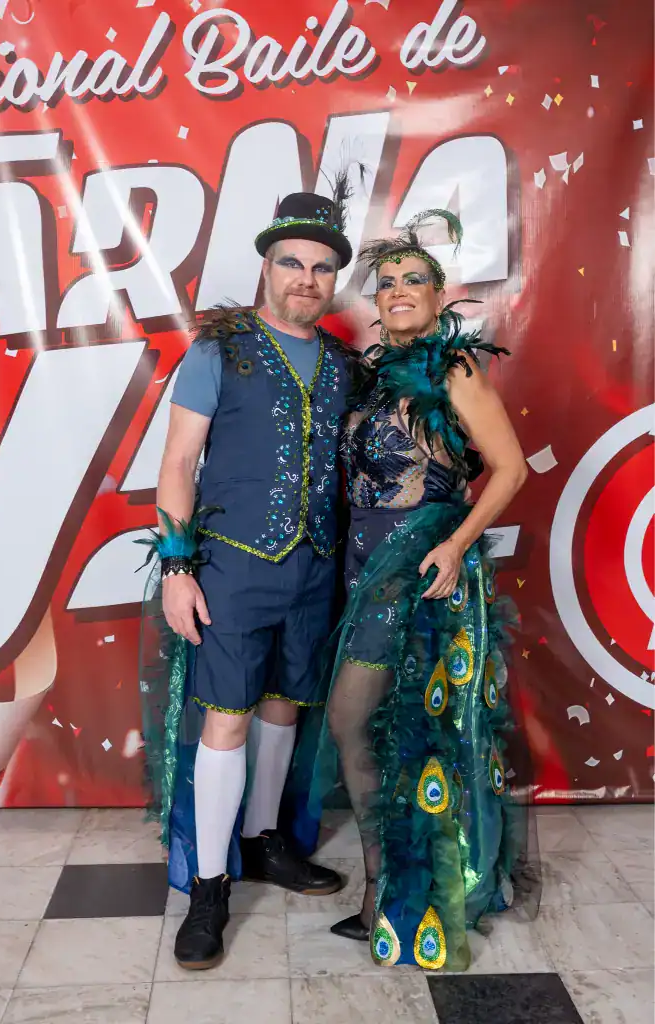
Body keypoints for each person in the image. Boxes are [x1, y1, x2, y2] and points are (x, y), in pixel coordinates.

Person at [309, 210, 540, 971]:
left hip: (418, 570)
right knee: (378, 729)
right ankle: (385, 886)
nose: (399, 290)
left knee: (368, 722)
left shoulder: (454, 369)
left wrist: (453, 544)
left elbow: (510, 468)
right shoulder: (374, 375)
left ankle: (397, 891)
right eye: (387, 282)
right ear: (375, 301)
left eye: (415, 279)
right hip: (361, 566)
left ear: (440, 296)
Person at [138, 186, 358, 971]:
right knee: (225, 721)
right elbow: (176, 465)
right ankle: (209, 887)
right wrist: (176, 568)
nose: (306, 278)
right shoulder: (217, 350)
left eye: (321, 268)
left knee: (283, 709)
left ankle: (264, 842)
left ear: (334, 279)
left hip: (316, 567)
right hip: (230, 567)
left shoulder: (344, 365)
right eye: (292, 262)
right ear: (266, 267)